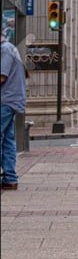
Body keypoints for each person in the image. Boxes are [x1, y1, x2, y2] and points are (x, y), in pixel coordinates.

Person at [0, 35, 27, 190]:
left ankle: (9, 177)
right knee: (7, 140)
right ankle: (10, 178)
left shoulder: (5, 50)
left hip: (5, 101)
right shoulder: (10, 49)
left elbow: (1, 76)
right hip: (11, 101)